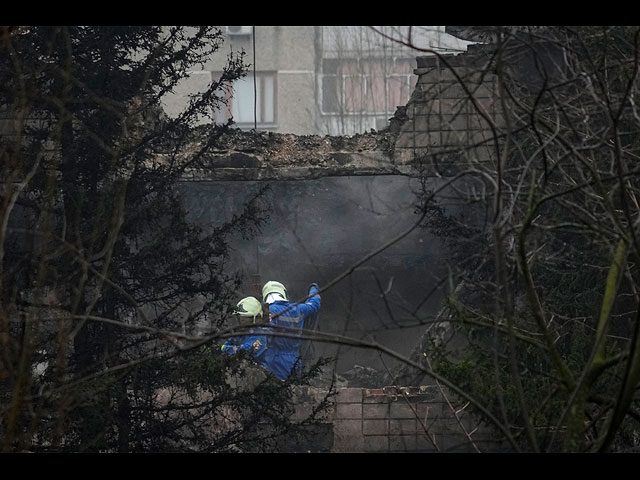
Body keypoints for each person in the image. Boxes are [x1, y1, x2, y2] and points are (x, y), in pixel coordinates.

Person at [260, 280, 321, 380]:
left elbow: (266, 337)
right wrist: (314, 289)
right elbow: (314, 304)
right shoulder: (298, 308)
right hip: (295, 359)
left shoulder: (270, 312)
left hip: (275, 360)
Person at [221, 296, 267, 362]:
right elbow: (224, 346)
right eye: (239, 317)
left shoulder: (260, 335)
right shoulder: (240, 333)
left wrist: (229, 349)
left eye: (245, 317)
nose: (241, 319)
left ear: (255, 318)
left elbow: (245, 351)